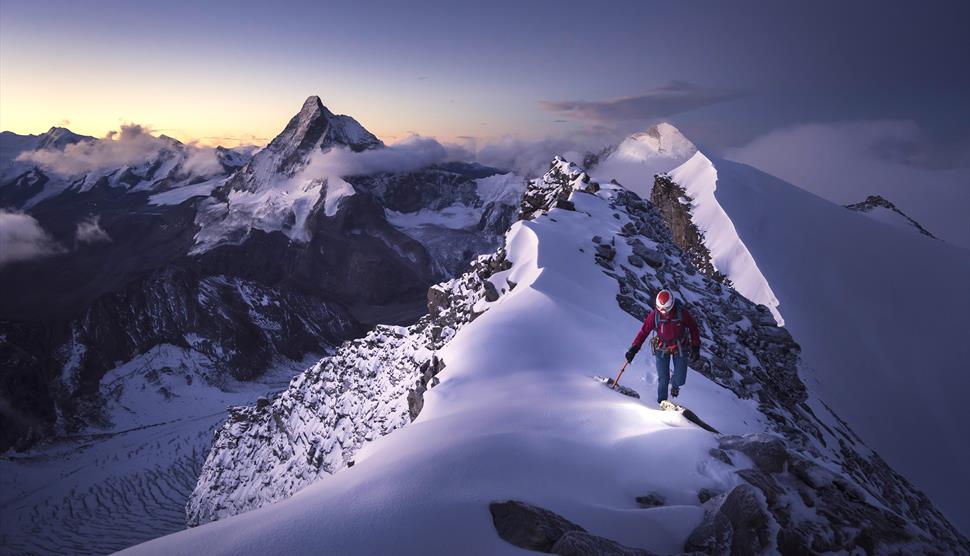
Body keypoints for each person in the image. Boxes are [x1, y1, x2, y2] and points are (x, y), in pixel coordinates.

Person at [624, 289, 701, 404]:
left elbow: (693, 327)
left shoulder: (681, 313)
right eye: (660, 308)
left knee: (680, 379)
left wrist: (696, 346)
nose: (662, 311)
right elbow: (644, 331)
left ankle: (675, 384)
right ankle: (661, 403)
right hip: (661, 347)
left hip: (680, 347)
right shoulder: (655, 315)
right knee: (663, 379)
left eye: (665, 309)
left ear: (671, 305)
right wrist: (634, 348)